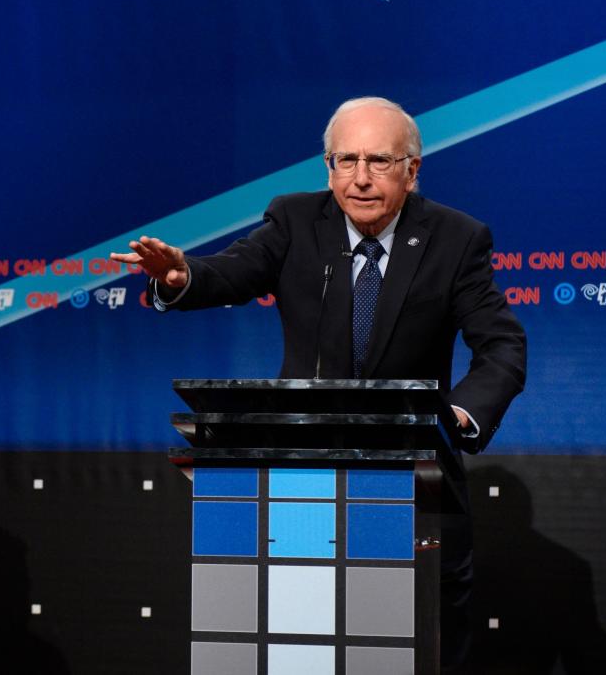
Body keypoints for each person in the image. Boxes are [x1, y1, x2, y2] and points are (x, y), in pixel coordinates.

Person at [112, 96, 526, 669]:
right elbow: (234, 271)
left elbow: (502, 343)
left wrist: (457, 416)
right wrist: (184, 276)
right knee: (307, 645)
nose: (359, 179)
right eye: (344, 160)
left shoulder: (455, 239)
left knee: (415, 645)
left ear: (412, 169)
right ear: (327, 167)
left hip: (413, 484)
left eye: (378, 161)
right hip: (302, 486)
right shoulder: (295, 221)